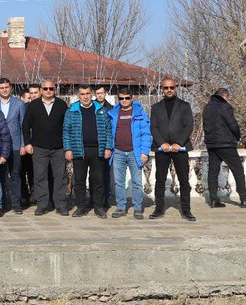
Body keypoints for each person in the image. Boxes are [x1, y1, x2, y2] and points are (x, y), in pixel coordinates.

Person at [202, 88, 246, 209]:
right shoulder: (225, 106)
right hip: (225, 143)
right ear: (224, 96)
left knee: (213, 171)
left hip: (211, 144)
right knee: (238, 170)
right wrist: (237, 137)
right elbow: (233, 124)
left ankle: (213, 199)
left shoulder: (207, 107)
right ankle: (244, 199)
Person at [149, 78, 195, 221]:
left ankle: (186, 210)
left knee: (183, 180)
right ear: (162, 89)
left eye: (172, 88)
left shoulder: (185, 106)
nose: (169, 90)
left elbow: (189, 126)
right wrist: (161, 143)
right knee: (160, 180)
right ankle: (159, 209)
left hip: (179, 148)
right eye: (166, 88)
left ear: (176, 88)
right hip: (161, 148)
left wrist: (178, 143)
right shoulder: (156, 107)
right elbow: (153, 127)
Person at [63, 85, 111, 218]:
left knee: (98, 180)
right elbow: (66, 132)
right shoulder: (71, 110)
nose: (85, 96)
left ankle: (98, 207)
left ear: (92, 95)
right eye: (82, 94)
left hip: (97, 150)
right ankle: (81, 207)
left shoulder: (100, 109)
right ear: (78, 95)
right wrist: (68, 149)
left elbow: (108, 130)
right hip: (79, 150)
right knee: (79, 181)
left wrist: (108, 147)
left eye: (88, 93)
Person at [22, 80, 68, 216]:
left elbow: (67, 126)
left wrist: (67, 146)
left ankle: (60, 204)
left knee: (60, 177)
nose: (48, 91)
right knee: (40, 176)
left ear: (55, 90)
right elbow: (25, 125)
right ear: (41, 90)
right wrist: (27, 143)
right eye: (45, 88)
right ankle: (42, 205)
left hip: (58, 148)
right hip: (39, 148)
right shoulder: (33, 105)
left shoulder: (61, 104)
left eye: (51, 88)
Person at [105, 90, 152, 219]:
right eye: (121, 98)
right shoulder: (113, 113)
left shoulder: (140, 113)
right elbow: (109, 132)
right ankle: (121, 207)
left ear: (131, 98)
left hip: (134, 153)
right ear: (118, 99)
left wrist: (144, 152)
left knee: (137, 182)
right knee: (118, 182)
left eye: (127, 98)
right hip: (118, 152)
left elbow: (146, 134)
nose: (124, 100)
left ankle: (137, 208)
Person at [0, 78, 28, 214]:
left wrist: (23, 145)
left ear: (11, 88)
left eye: (6, 87)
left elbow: (23, 126)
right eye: (1, 88)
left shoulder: (19, 103)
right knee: (0, 176)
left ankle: (16, 204)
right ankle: (1, 204)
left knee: (15, 175)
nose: (4, 90)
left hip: (15, 145)